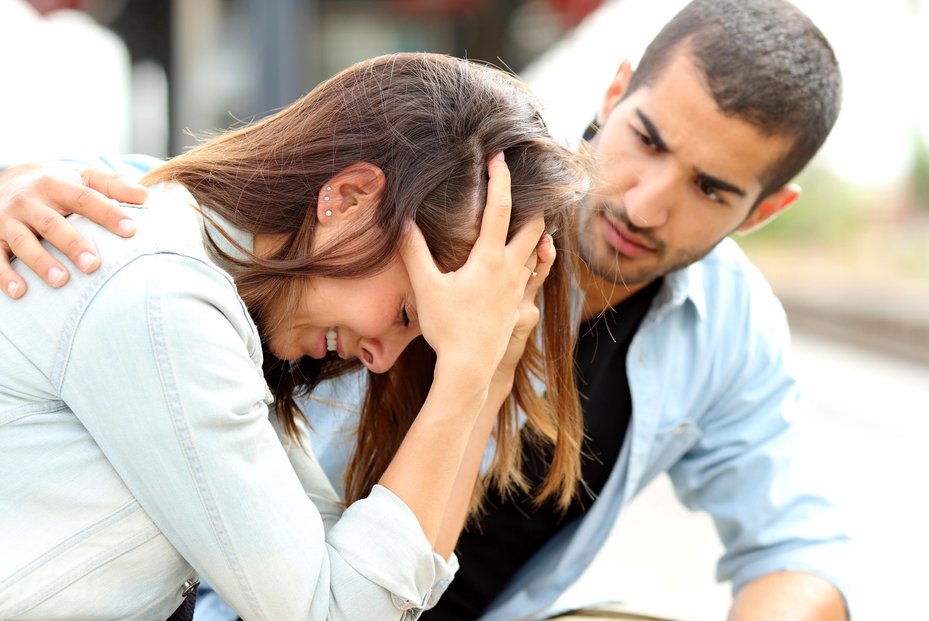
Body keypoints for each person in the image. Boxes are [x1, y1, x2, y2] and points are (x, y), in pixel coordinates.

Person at [0, 1, 854, 620]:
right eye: (649, 140)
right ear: (618, 90)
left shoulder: (728, 324)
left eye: (711, 188)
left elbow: (798, 551)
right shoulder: (458, 198)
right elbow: (191, 216)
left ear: (764, 210)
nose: (647, 203)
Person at [0, 52, 589, 620]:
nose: (381, 361)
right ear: (350, 198)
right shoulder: (162, 302)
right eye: (409, 310)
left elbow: (375, 589)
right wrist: (463, 372)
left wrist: (489, 371)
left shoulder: (223, 303)